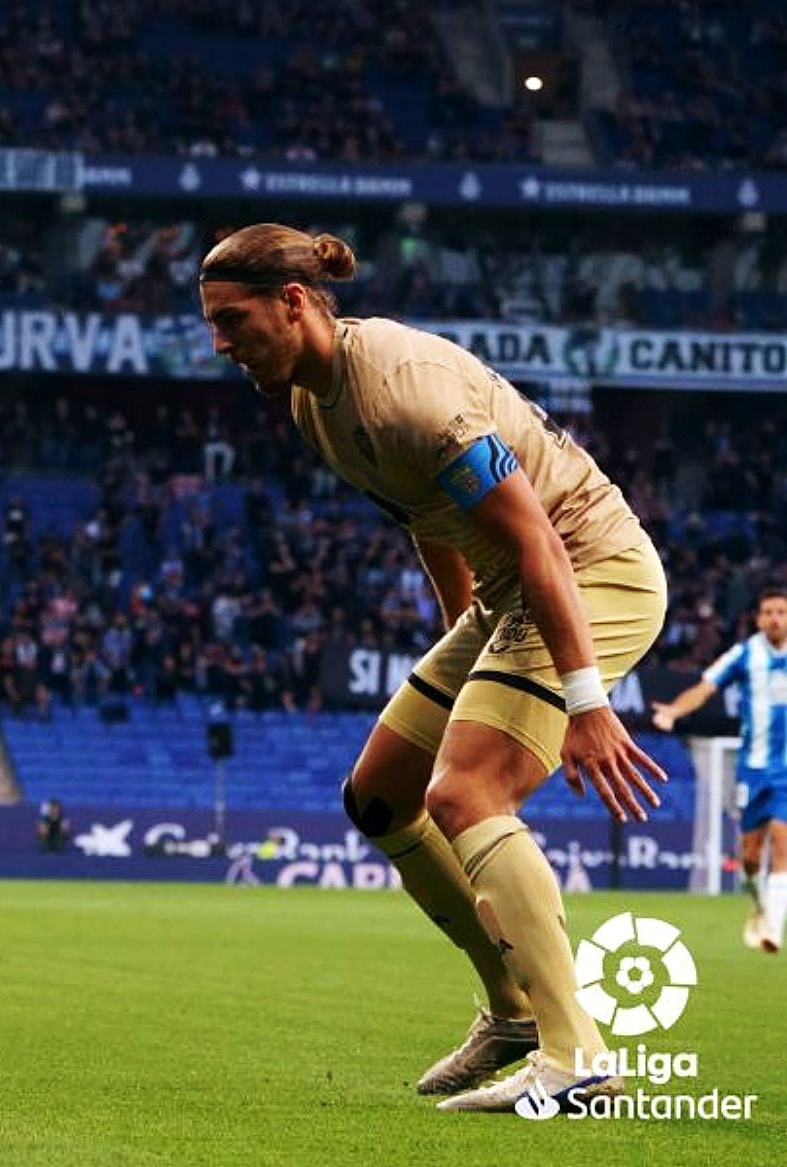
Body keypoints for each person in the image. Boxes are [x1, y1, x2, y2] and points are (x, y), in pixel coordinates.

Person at [199, 224, 667, 1113]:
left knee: (466, 795)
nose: (219, 344)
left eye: (232, 320)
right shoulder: (310, 401)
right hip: (507, 596)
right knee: (379, 793)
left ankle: (578, 1055)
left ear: (293, 304)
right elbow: (425, 512)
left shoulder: (410, 395)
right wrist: (472, 639)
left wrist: (586, 702)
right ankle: (515, 1009)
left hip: (589, 570)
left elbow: (537, 539)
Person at [651, 587, 787, 952]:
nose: (776, 618)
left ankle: (773, 927)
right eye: (769, 612)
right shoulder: (745, 655)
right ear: (758, 619)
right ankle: (759, 905)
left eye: (781, 612)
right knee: (751, 856)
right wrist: (674, 712)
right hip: (753, 768)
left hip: (785, 774)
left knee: (782, 839)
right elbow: (706, 687)